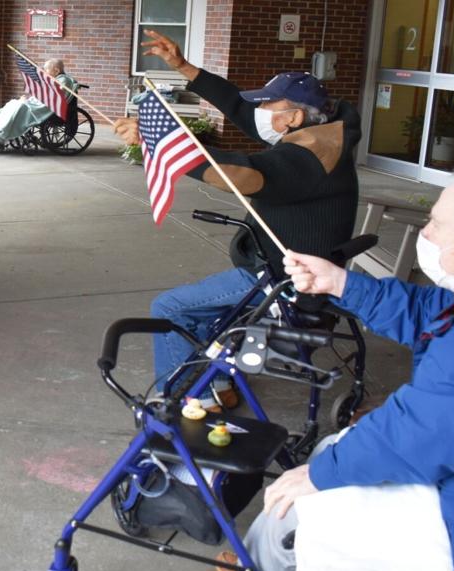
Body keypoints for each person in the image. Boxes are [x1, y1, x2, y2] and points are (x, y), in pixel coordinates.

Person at [229, 168, 454, 571]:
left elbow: (422, 432)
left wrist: (319, 475)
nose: (427, 233)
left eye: (436, 223)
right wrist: (341, 283)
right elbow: (440, 314)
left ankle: (262, 565)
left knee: (304, 508)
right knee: (333, 450)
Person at [113, 29, 361, 401]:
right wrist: (183, 66)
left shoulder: (307, 157)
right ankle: (220, 384)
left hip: (282, 281)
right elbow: (237, 105)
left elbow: (242, 174)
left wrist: (157, 139)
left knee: (171, 307)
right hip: (289, 268)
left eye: (268, 108)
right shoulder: (319, 132)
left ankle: (177, 403)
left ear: (293, 117)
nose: (259, 114)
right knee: (208, 311)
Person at [0, 58, 77, 152]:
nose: (45, 72)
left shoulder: (64, 80)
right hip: (41, 102)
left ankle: (1, 136)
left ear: (56, 70)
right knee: (12, 104)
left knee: (20, 107)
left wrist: (30, 100)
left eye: (46, 69)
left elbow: (54, 95)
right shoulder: (56, 79)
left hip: (46, 107)